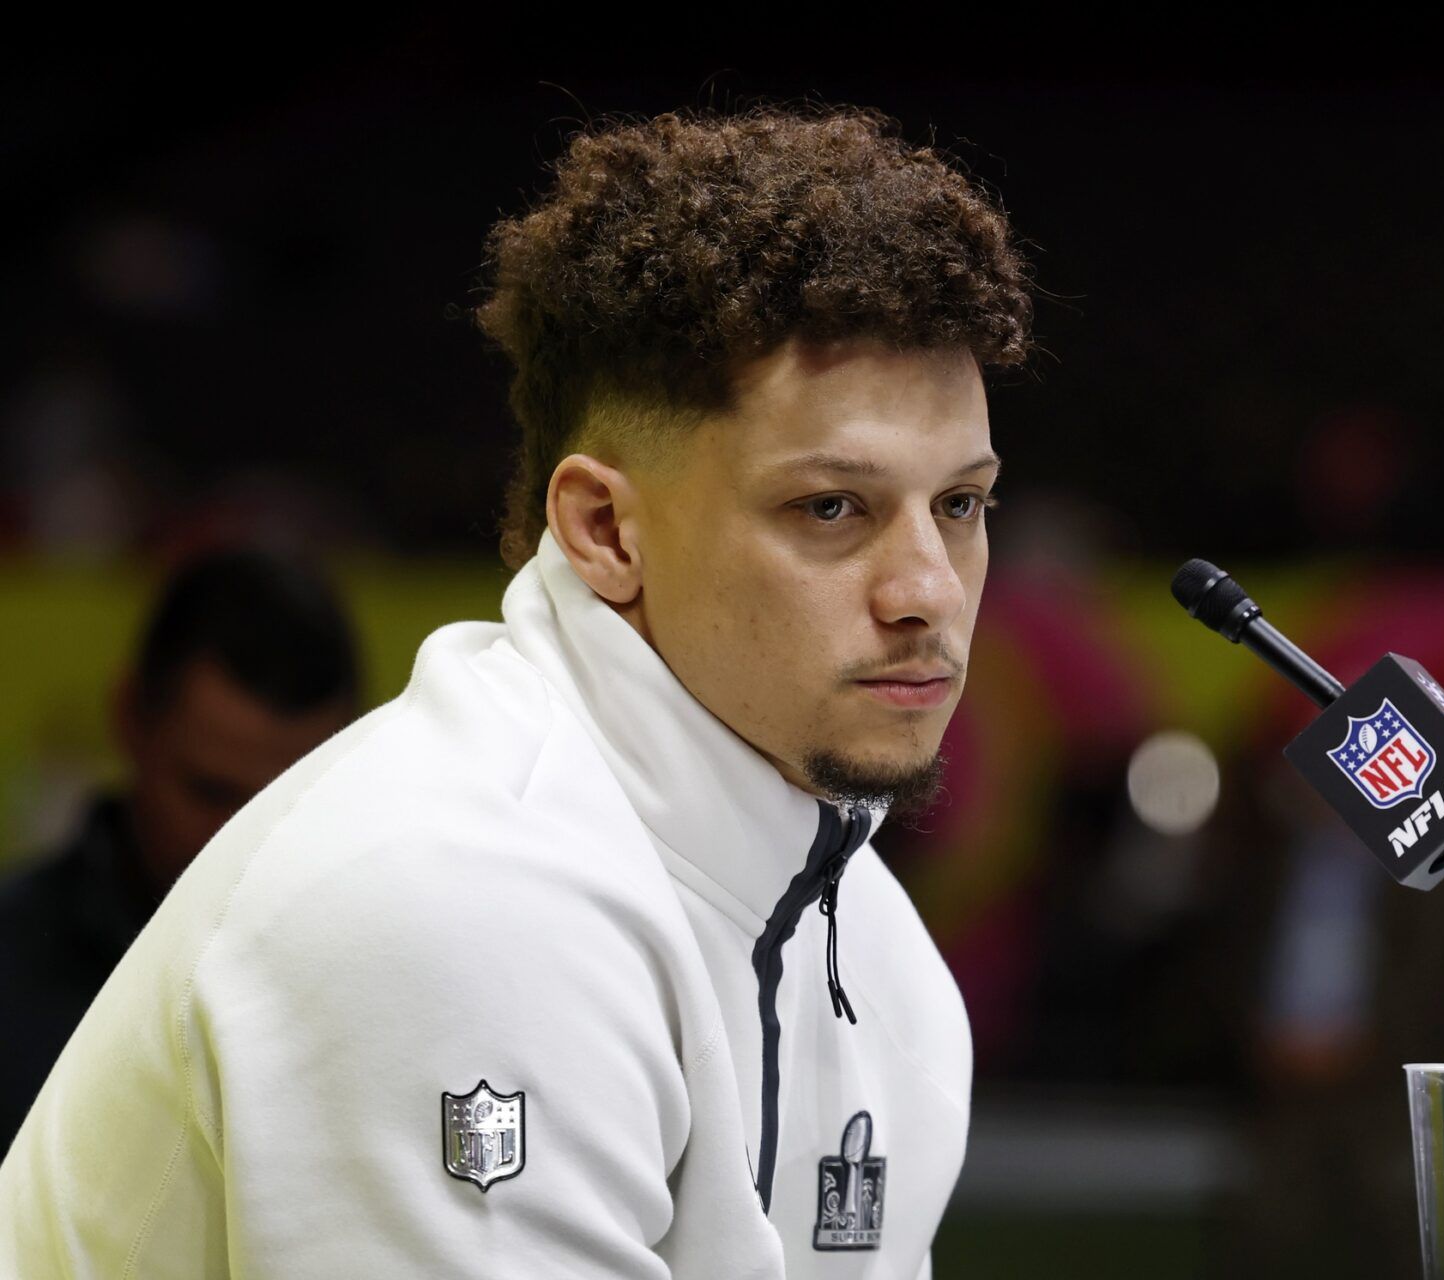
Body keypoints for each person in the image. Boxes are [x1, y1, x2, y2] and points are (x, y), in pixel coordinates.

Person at [0, 105, 1034, 1278]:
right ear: (603, 528)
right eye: (830, 508)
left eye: (960, 504)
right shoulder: (457, 890)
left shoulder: (880, 960)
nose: (928, 591)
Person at [0, 546, 359, 1154]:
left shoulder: (380, 983)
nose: (244, 843)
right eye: (210, 792)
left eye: (289, 802)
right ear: (129, 720)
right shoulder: (12, 972)